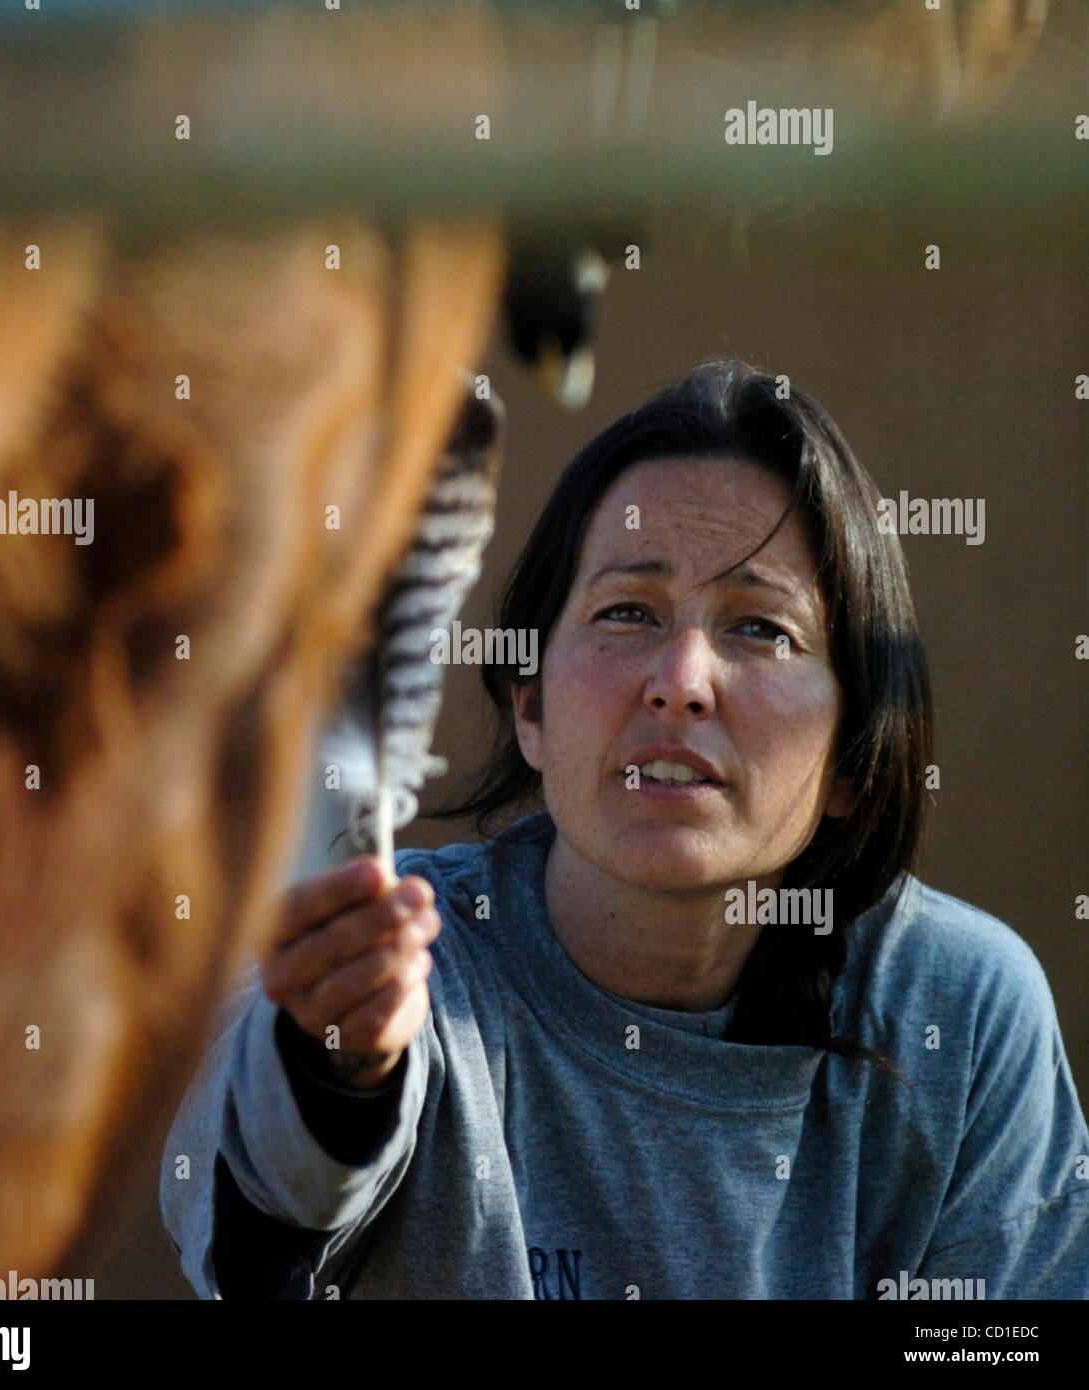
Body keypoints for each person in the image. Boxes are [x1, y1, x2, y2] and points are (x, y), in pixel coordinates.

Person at [160, 358, 1089, 1299]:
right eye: (626, 612)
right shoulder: (390, 963)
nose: (680, 678)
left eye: (761, 629)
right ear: (531, 711)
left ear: (852, 756)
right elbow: (256, 1226)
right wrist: (340, 1070)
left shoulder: (958, 1012)